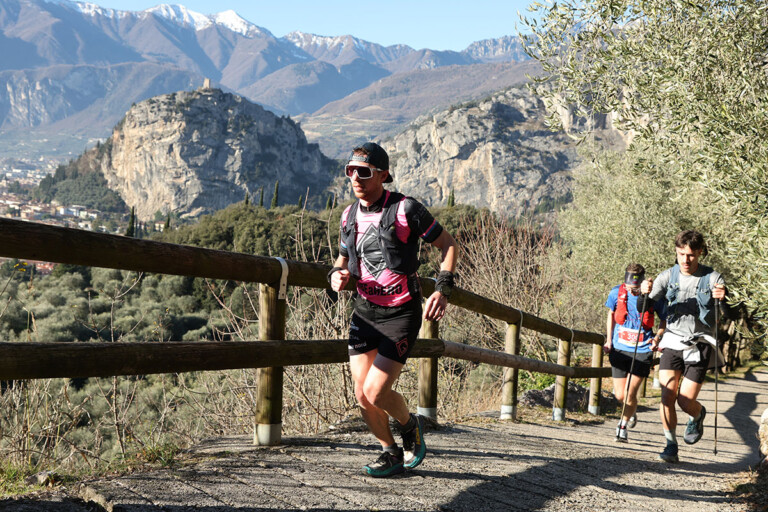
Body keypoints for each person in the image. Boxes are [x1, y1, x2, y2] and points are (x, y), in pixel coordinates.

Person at [328, 142, 458, 478]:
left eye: (363, 172)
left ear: (382, 175)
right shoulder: (348, 216)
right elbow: (341, 261)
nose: (355, 178)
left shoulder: (406, 209)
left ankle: (410, 424)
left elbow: (448, 245)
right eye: (350, 171)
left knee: (376, 390)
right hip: (365, 313)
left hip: (401, 313)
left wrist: (442, 289)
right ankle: (390, 453)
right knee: (362, 395)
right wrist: (336, 276)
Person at [640, 230, 727, 463]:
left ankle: (697, 414)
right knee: (667, 396)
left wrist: (723, 298)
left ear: (700, 252)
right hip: (672, 340)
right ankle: (671, 445)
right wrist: (643, 294)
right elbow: (644, 307)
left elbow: (728, 314)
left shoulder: (713, 278)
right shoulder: (668, 276)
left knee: (685, 401)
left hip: (700, 343)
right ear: (676, 252)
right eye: (681, 254)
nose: (685, 260)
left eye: (690, 255)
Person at [604, 263, 667, 443]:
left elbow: (664, 320)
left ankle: (622, 427)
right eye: (630, 287)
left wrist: (657, 338)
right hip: (620, 348)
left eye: (636, 288)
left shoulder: (654, 297)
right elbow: (611, 315)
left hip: (642, 350)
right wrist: (609, 340)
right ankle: (631, 411)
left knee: (630, 393)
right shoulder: (616, 292)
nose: (632, 290)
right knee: (620, 395)